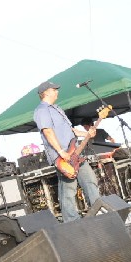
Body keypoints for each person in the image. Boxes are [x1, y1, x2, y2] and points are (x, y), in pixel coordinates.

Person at [33, 82, 100, 222]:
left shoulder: (57, 108)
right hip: (62, 157)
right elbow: (48, 131)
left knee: (90, 181)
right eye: (54, 89)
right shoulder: (42, 110)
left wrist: (87, 133)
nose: (57, 91)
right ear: (46, 92)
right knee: (68, 191)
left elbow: (71, 131)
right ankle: (71, 221)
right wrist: (61, 151)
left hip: (76, 153)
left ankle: (98, 212)